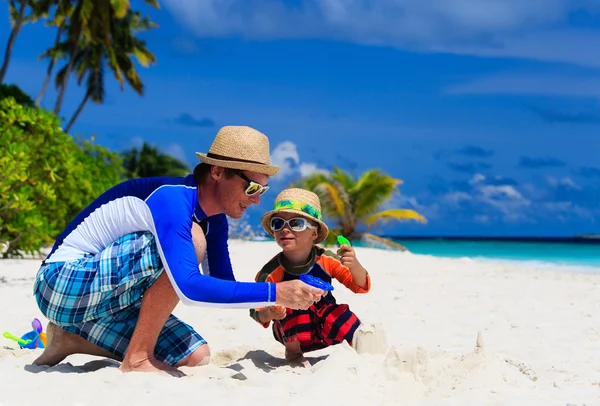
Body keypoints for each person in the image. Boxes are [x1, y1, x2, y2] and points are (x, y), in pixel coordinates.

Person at [32, 126, 326, 376]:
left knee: (197, 356)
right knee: (193, 240)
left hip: (107, 299)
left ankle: (69, 339)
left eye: (261, 191)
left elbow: (223, 284)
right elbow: (188, 288)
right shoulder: (173, 198)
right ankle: (137, 359)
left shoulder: (216, 221)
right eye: (252, 188)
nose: (257, 201)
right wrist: (274, 291)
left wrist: (262, 306)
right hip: (59, 283)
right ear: (218, 171)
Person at [249, 188, 371, 365]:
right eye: (278, 223)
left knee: (341, 315)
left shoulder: (326, 259)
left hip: (325, 328)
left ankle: (359, 349)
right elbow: (255, 311)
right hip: (292, 334)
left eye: (296, 223)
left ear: (314, 233)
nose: (285, 229)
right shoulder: (269, 271)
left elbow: (359, 286)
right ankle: (293, 354)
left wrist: (355, 265)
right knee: (291, 302)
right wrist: (271, 313)